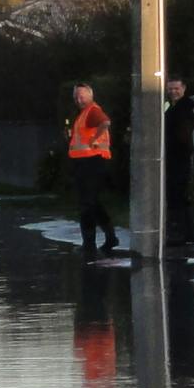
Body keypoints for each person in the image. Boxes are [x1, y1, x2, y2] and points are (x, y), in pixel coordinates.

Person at [66, 82, 118, 261]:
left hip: (92, 162)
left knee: (87, 204)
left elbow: (105, 122)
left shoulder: (92, 111)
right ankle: (110, 237)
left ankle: (89, 244)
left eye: (82, 96)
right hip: (88, 162)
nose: (79, 100)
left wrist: (95, 140)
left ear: (90, 95)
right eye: (76, 97)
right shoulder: (84, 113)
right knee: (92, 202)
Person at [164, 77, 194, 248]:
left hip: (179, 156)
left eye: (176, 88)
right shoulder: (172, 106)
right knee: (179, 195)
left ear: (184, 88)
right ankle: (188, 231)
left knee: (178, 194)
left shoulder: (184, 108)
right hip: (174, 156)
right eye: (170, 88)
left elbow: (184, 133)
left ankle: (181, 232)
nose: (173, 92)